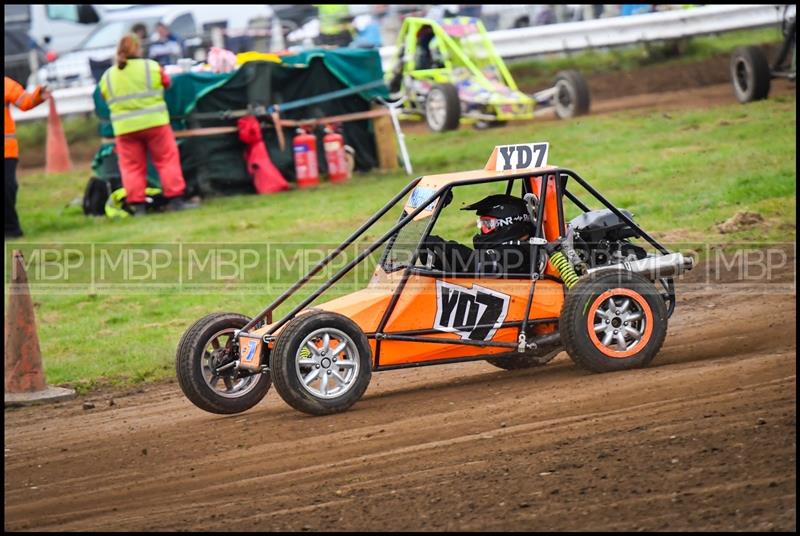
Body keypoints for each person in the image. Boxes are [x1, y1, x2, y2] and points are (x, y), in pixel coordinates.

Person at [99, 33, 197, 215]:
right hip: (155, 124)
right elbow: (167, 83)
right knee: (166, 160)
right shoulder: (151, 67)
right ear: (138, 48)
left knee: (131, 167)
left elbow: (104, 96)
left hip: (125, 129)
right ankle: (175, 200)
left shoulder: (108, 76)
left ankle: (139, 206)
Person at [422, 194, 536, 276]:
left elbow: (473, 262)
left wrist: (440, 247)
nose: (482, 228)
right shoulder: (515, 249)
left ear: (508, 223)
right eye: (481, 223)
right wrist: (437, 259)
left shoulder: (516, 254)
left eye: (487, 224)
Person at [4, 76, 50, 238]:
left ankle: (10, 230)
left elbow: (25, 101)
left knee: (7, 188)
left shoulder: (6, 84)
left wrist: (38, 95)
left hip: (6, 151)